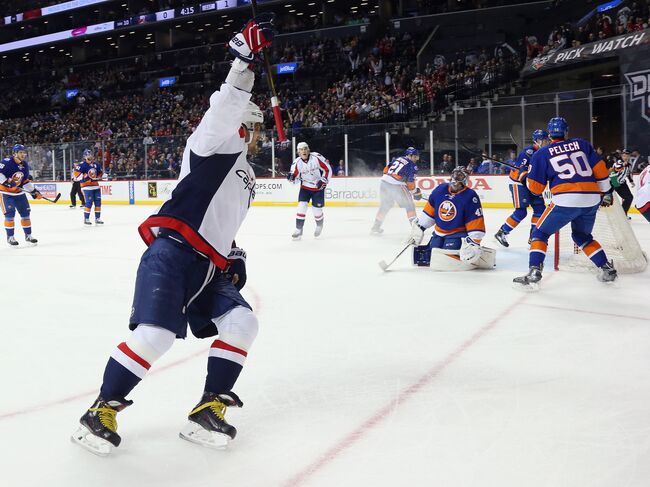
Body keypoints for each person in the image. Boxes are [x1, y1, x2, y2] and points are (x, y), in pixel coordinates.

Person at [71, 14, 274, 456]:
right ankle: (98, 412)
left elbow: (224, 221)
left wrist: (234, 252)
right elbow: (221, 109)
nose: (258, 136)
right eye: (254, 127)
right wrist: (243, 64)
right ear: (245, 124)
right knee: (156, 337)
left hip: (208, 265)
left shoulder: (246, 173)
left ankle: (208, 410)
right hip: (175, 253)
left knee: (243, 321)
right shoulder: (213, 144)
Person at [513, 117, 617, 288]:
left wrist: (525, 176)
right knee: (581, 236)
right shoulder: (582, 144)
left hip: (565, 199)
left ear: (549, 134)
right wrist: (606, 191)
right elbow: (600, 170)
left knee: (539, 233)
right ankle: (606, 268)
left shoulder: (542, 153)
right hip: (591, 199)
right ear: (566, 131)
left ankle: (534, 271)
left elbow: (536, 189)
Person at [409, 166, 488, 266]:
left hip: (457, 234)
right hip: (438, 233)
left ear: (464, 180)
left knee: (447, 254)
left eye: (459, 177)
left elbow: (475, 220)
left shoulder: (470, 196)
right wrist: (420, 228)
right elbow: (430, 212)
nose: (455, 180)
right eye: (455, 175)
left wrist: (474, 242)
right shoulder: (440, 190)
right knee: (433, 253)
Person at [495, 130, 548, 247]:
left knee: (540, 209)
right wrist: (530, 179)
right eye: (544, 140)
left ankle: (534, 236)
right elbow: (521, 174)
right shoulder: (527, 153)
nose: (547, 142)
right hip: (518, 183)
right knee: (521, 212)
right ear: (538, 141)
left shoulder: (544, 152)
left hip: (531, 183)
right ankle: (502, 232)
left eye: (547, 140)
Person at [370, 146, 422, 235]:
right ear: (409, 155)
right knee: (409, 205)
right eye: (415, 156)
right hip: (396, 185)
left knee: (385, 205)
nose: (416, 159)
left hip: (384, 182)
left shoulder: (398, 159)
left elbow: (386, 169)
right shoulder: (412, 166)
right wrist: (415, 192)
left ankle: (375, 227)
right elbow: (410, 183)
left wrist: (395, 177)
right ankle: (416, 230)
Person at [0, 144, 42, 246]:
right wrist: (6, 182)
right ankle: (10, 237)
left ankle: (28, 236)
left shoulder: (25, 165)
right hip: (6, 194)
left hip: (19, 194)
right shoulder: (6, 162)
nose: (23, 154)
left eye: (24, 152)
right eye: (21, 152)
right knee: (9, 216)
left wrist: (34, 192)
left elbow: (25, 182)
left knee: (26, 215)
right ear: (14, 153)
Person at [287, 141, 332, 239]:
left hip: (318, 188)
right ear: (298, 152)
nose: (304, 151)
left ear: (308, 150)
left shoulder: (316, 157)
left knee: (317, 210)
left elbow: (327, 169)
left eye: (305, 149)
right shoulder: (296, 163)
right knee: (301, 206)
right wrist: (291, 178)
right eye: (301, 149)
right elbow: (294, 181)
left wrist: (323, 180)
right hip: (305, 188)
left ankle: (319, 225)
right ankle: (299, 229)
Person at [74, 149, 104, 225]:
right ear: (85, 157)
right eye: (88, 155)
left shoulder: (96, 164)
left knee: (98, 203)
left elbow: (100, 173)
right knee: (89, 203)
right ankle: (86, 219)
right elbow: (76, 175)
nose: (90, 157)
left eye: (91, 155)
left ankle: (98, 218)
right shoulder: (81, 165)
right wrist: (85, 177)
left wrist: (99, 176)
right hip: (86, 187)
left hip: (96, 186)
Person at [610, 149, 634, 216]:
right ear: (621, 156)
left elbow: (628, 173)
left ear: (629, 156)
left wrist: (631, 181)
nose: (625, 157)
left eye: (627, 156)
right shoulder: (618, 162)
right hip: (613, 182)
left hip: (622, 183)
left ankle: (623, 214)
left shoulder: (629, 165)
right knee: (607, 199)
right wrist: (623, 164)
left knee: (629, 197)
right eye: (624, 156)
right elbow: (616, 168)